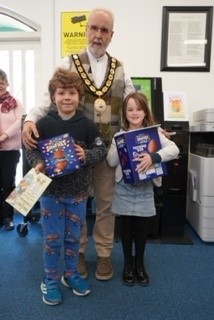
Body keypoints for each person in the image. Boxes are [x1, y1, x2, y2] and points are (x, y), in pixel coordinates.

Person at [22, 7, 135, 280]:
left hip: (107, 151)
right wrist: (29, 120)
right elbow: (47, 97)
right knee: (79, 204)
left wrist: (154, 130)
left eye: (104, 30)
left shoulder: (120, 68)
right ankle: (80, 253)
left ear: (111, 35)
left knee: (106, 206)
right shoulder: (67, 62)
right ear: (86, 30)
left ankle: (105, 255)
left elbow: (134, 104)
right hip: (75, 153)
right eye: (94, 28)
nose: (98, 35)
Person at [25, 68, 106, 305]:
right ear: (53, 97)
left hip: (78, 193)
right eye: (61, 93)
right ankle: (50, 279)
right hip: (50, 194)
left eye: (72, 93)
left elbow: (101, 149)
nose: (67, 97)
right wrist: (38, 163)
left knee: (73, 237)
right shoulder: (44, 124)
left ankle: (70, 275)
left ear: (79, 97)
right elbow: (30, 149)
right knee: (52, 238)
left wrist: (86, 154)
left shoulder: (87, 125)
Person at [106, 92, 179, 286]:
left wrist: (152, 157)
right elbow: (111, 161)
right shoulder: (119, 135)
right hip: (124, 188)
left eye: (139, 109)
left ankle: (140, 263)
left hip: (145, 188)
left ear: (145, 112)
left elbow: (174, 150)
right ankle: (128, 263)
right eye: (130, 109)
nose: (135, 113)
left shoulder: (154, 134)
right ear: (124, 113)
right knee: (126, 228)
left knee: (141, 229)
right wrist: (120, 147)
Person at [0, 69, 25, 231]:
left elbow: (21, 121)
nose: (0, 85)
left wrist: (4, 136)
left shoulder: (14, 102)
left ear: (7, 84)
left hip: (10, 150)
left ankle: (8, 217)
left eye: (2, 82)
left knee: (8, 183)